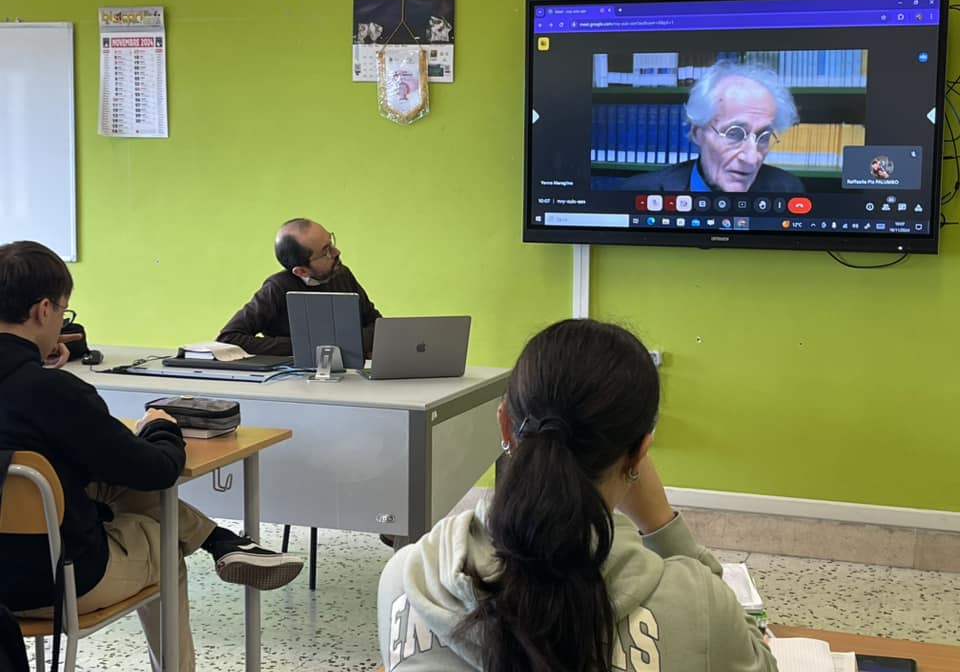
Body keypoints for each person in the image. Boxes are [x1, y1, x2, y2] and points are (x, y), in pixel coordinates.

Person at [377, 318, 778, 672]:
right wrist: (662, 526)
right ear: (639, 451)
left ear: (504, 426)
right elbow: (757, 657)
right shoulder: (697, 606)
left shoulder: (405, 580)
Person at [0, 241, 304, 672]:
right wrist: (161, 427)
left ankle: (221, 541)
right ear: (43, 311)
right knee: (163, 543)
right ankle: (214, 546)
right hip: (54, 582)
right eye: (64, 314)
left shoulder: (43, 387)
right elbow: (158, 471)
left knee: (106, 485)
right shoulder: (56, 394)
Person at [620, 60, 803, 195]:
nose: (751, 158)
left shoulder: (788, 190)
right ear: (697, 132)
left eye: (763, 136)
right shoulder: (639, 191)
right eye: (735, 134)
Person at [217, 218, 381, 357]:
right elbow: (229, 338)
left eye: (331, 243)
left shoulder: (341, 274)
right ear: (301, 271)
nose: (337, 251)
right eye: (326, 251)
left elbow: (377, 326)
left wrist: (339, 342)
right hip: (293, 381)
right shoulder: (277, 288)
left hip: (349, 375)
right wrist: (304, 346)